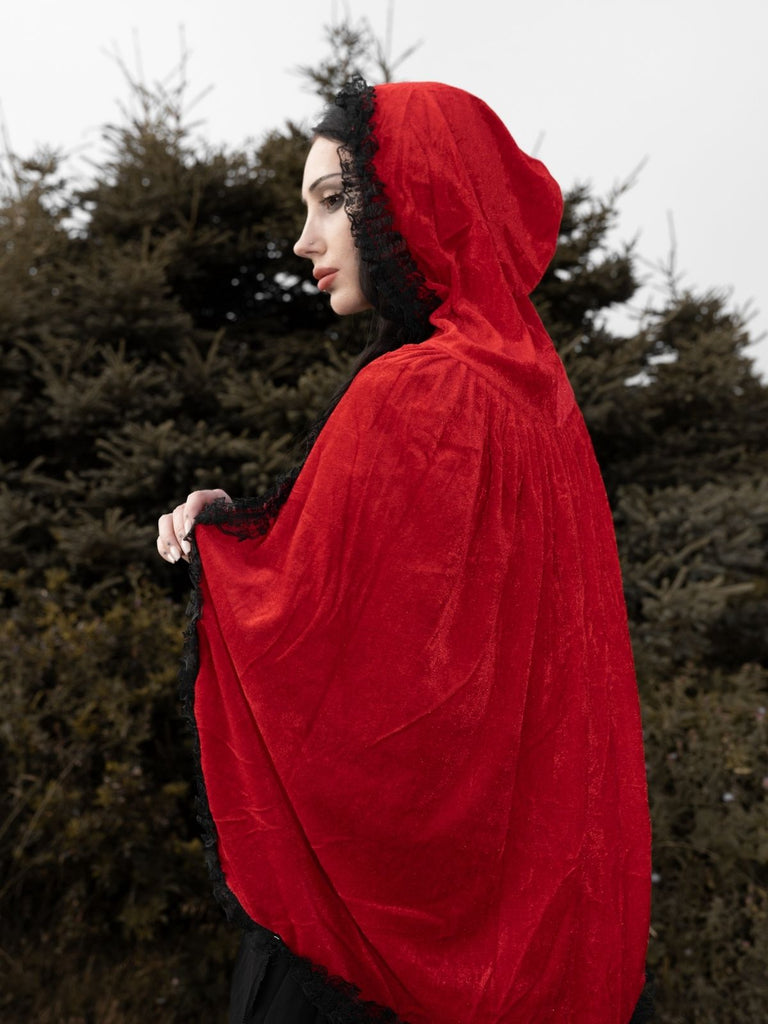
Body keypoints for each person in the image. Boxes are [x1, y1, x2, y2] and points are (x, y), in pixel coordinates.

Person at [157, 77, 653, 1023]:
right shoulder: (537, 394)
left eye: (334, 201)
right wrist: (255, 520)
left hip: (391, 960)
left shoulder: (414, 390)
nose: (305, 241)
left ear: (413, 195)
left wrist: (221, 545)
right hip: (544, 930)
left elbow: (336, 660)